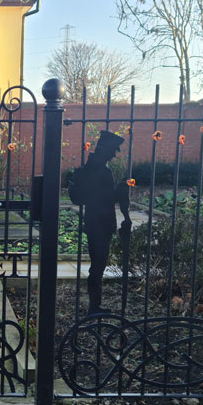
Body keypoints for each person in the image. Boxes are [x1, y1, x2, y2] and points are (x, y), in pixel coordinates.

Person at [68, 130, 131, 315]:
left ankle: (94, 305)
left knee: (98, 264)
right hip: (100, 222)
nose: (115, 154)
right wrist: (119, 190)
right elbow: (101, 198)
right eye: (114, 150)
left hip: (96, 221)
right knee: (98, 265)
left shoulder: (93, 167)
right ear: (106, 149)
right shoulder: (101, 170)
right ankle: (94, 307)